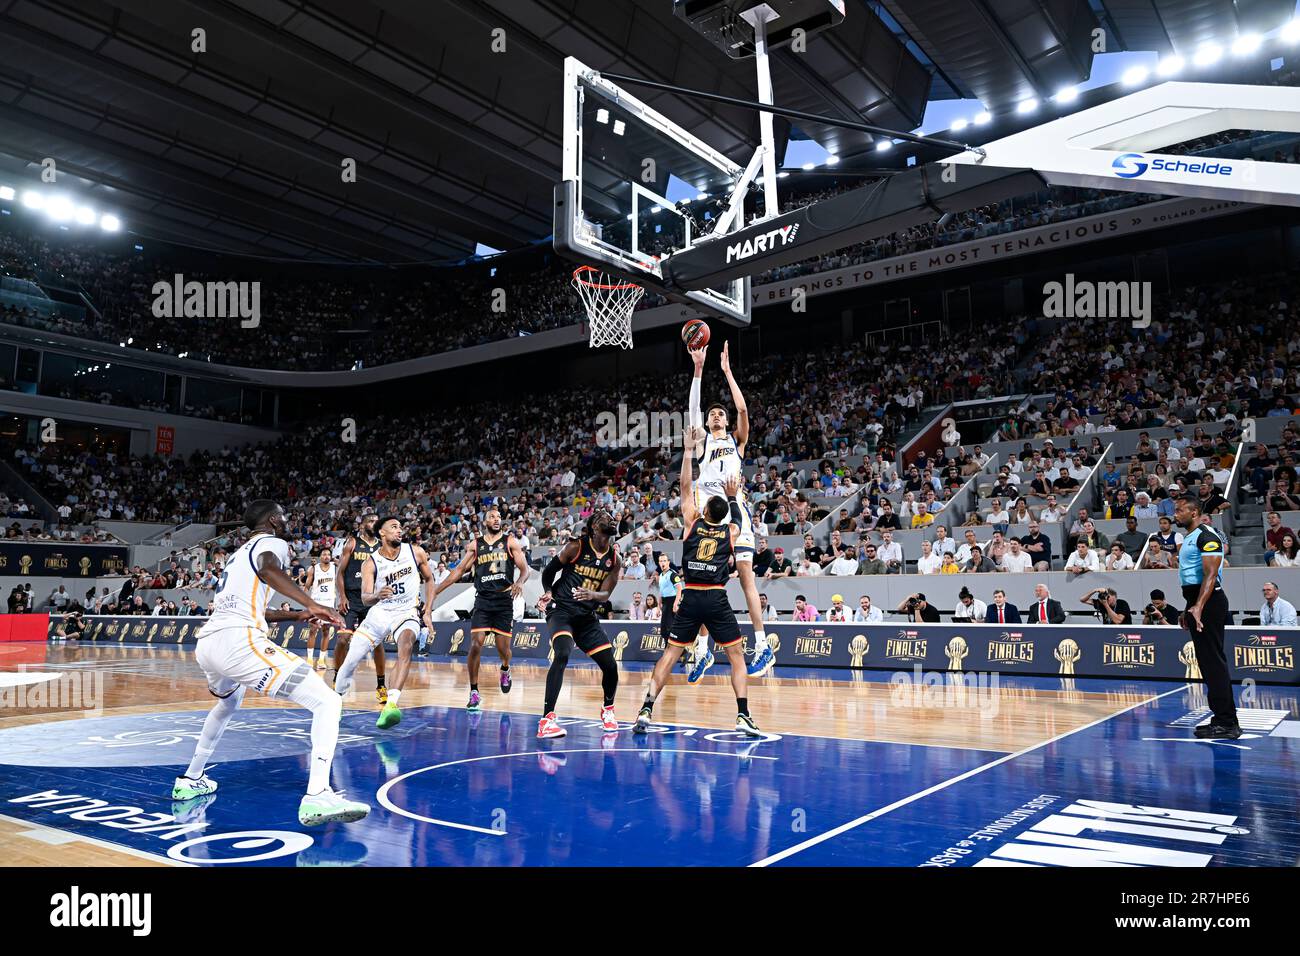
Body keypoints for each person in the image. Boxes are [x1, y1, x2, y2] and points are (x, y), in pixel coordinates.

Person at [173, 500, 368, 827]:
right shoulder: (272, 543)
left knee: (227, 704)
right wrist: (312, 603)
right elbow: (267, 568)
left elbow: (255, 608)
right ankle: (318, 794)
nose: (288, 521)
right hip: (238, 643)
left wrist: (297, 614)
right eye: (285, 515)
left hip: (209, 642)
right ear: (274, 520)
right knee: (328, 702)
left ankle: (191, 779)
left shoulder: (237, 555)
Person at [634, 443, 759, 736]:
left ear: (703, 511)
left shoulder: (691, 525)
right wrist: (731, 495)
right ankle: (742, 714)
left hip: (690, 595)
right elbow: (738, 514)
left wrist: (689, 451)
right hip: (715, 597)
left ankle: (647, 708)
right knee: (736, 656)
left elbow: (685, 484)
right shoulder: (730, 531)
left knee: (670, 654)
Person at [685, 343, 773, 679]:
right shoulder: (703, 441)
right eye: (713, 414)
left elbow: (744, 410)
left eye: (721, 413)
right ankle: (705, 650)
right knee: (707, 583)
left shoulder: (737, 440)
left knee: (747, 577)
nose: (717, 415)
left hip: (735, 512)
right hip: (709, 516)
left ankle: (762, 645)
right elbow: (693, 414)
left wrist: (726, 371)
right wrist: (698, 370)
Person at [336, 516, 434, 730]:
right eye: (394, 527)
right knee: (351, 660)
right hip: (380, 613)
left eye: (400, 527)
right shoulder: (370, 562)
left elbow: (429, 579)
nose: (400, 530)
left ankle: (391, 704)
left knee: (406, 645)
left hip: (406, 611)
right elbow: (365, 598)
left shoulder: (415, 551)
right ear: (382, 533)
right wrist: (377, 595)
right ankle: (336, 699)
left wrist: (427, 611)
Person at [429, 507, 529, 710]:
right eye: (492, 516)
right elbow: (458, 570)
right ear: (484, 522)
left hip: (503, 601)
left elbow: (525, 569)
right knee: (476, 644)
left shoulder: (510, 542)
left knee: (504, 650)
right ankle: (474, 691)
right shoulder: (476, 545)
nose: (496, 519)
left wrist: (520, 581)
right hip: (483, 601)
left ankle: (505, 669)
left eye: (499, 517)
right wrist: (437, 590)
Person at [536, 509, 622, 738]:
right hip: (562, 611)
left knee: (610, 665)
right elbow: (549, 572)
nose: (611, 519)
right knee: (562, 653)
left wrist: (592, 595)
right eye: (605, 517)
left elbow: (605, 595)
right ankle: (547, 720)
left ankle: (608, 711)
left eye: (612, 517)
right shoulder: (576, 547)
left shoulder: (615, 559)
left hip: (586, 618)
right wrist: (547, 592)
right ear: (594, 526)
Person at [1175, 495, 1238, 739]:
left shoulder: (1207, 535)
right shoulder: (1191, 537)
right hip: (1198, 602)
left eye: (1180, 510)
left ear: (1193, 513)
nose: (1175, 514)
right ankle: (1222, 718)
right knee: (1208, 664)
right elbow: (1193, 579)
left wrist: (1199, 606)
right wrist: (1189, 607)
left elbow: (1211, 576)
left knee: (1213, 662)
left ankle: (1227, 722)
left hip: (1210, 603)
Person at [331, 513, 388, 703]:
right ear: (362, 525)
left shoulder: (382, 546)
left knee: (377, 642)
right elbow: (340, 573)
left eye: (375, 521)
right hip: (352, 598)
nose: (374, 523)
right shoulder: (352, 543)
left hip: (371, 599)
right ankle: (337, 678)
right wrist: (342, 596)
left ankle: (381, 685)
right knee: (342, 639)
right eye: (370, 521)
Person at [303, 550, 339, 669]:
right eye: (324, 554)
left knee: (326, 631)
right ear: (320, 557)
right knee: (313, 630)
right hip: (316, 603)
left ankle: (321, 660)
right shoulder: (313, 568)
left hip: (329, 603)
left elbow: (345, 563)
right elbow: (307, 586)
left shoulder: (335, 567)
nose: (326, 556)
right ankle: (309, 659)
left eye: (328, 554)